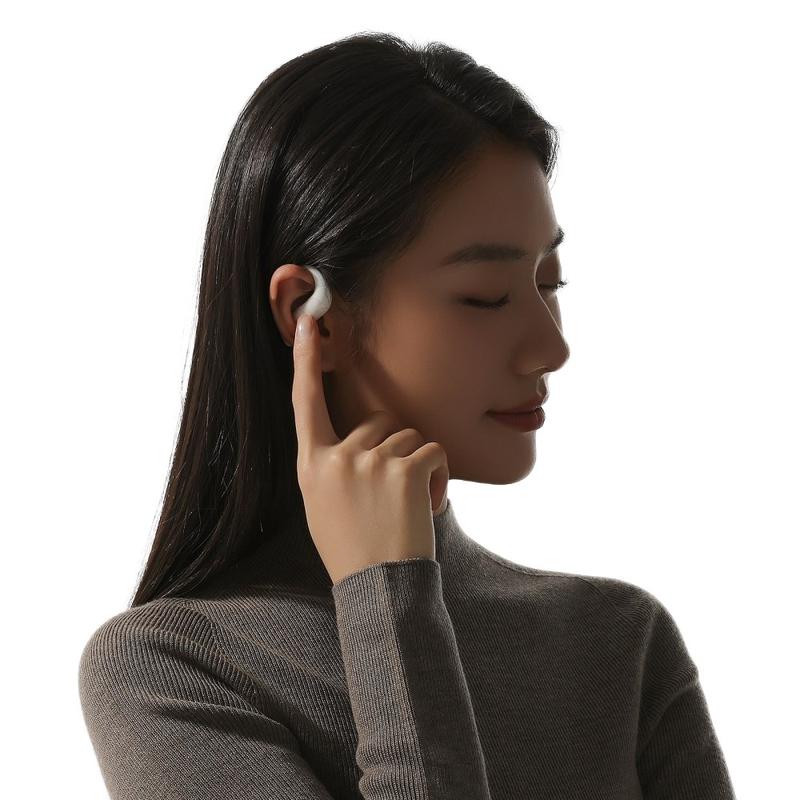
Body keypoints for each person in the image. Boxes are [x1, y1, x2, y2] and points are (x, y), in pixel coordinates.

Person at [78, 31, 737, 799]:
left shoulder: (617, 639)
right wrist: (386, 591)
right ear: (311, 315)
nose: (552, 348)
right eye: (486, 296)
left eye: (550, 282)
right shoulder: (172, 668)